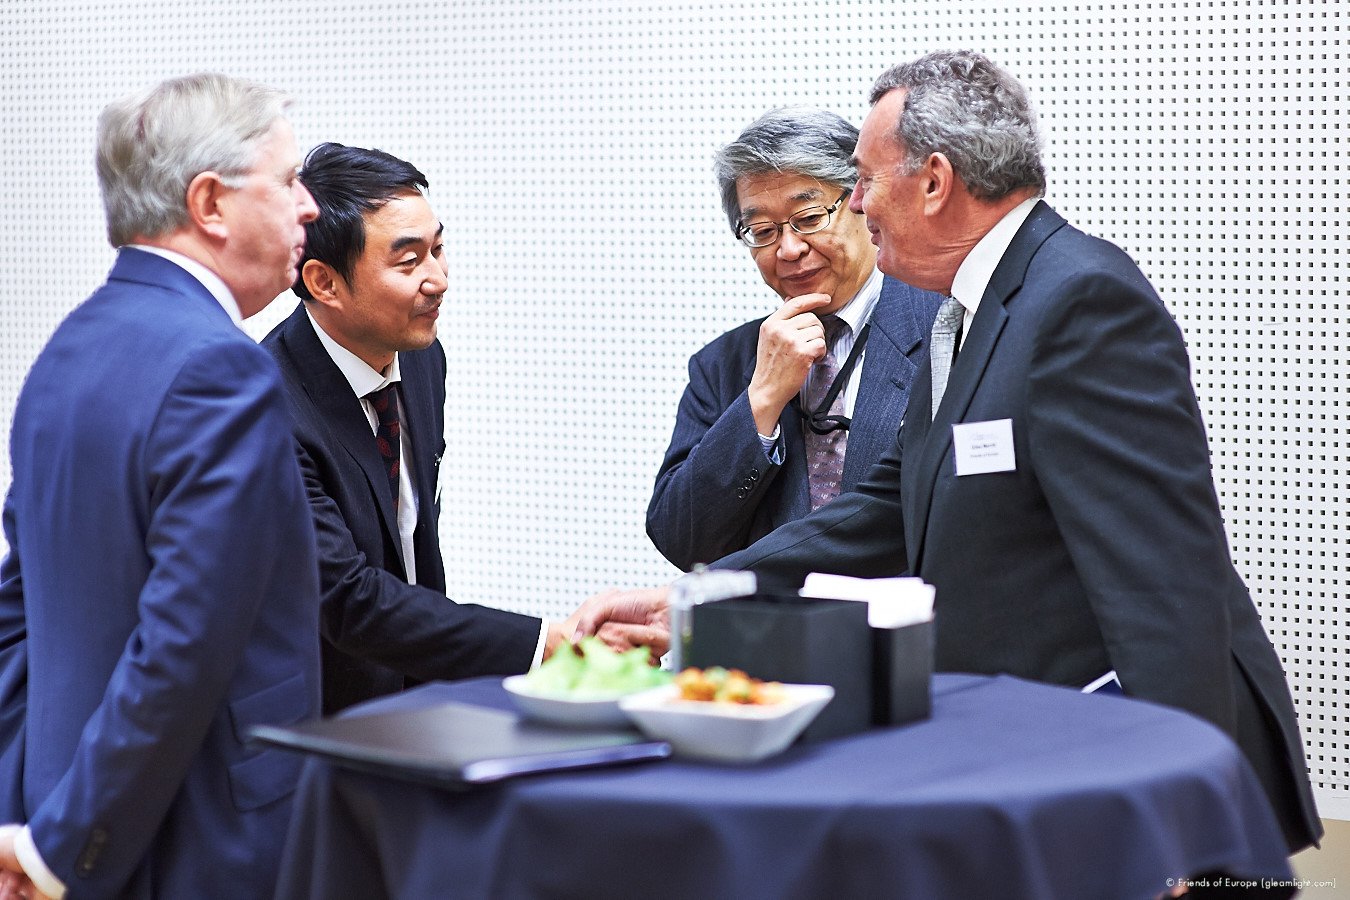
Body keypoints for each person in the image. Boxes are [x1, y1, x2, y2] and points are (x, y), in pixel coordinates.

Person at [586, 50, 1322, 854]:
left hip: (1115, 759)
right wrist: (707, 595)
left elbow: (1164, 583)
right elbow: (890, 502)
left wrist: (1185, 815)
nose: (858, 204)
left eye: (858, 183)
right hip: (1033, 751)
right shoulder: (967, 313)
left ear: (934, 181)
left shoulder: (1077, 300)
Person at [0, 73, 323, 899]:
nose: (310, 207)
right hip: (194, 837)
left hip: (69, 814)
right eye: (288, 181)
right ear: (210, 204)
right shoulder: (222, 369)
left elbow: (18, 609)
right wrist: (65, 845)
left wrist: (29, 824)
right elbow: (184, 643)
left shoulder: (66, 350)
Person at [263, 143, 629, 713]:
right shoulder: (267, 408)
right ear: (323, 282)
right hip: (313, 720)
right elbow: (346, 598)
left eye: (438, 249)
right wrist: (545, 644)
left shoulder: (422, 361)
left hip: (414, 703)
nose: (439, 279)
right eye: (408, 261)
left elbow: (411, 549)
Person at [647, 108, 942, 571]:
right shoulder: (723, 365)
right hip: (773, 636)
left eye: (807, 218)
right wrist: (761, 400)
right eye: (762, 231)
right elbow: (681, 540)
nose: (788, 249)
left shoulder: (945, 327)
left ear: (861, 203)